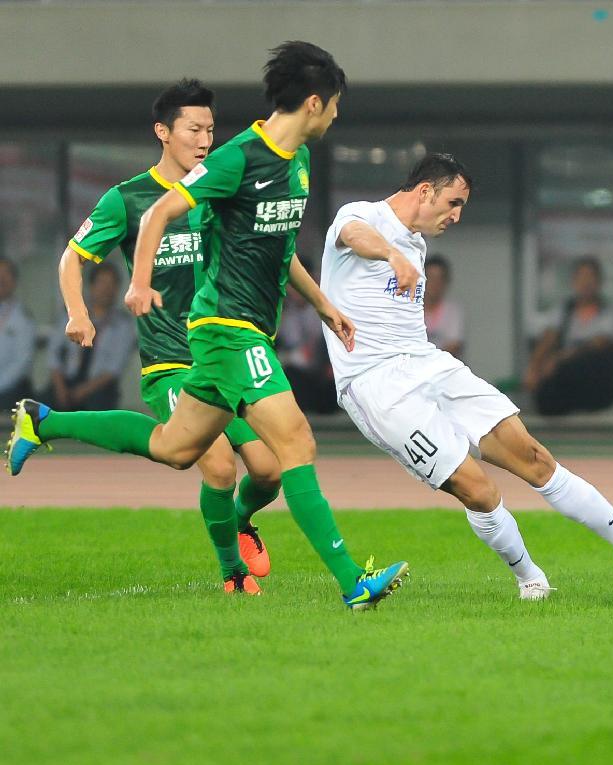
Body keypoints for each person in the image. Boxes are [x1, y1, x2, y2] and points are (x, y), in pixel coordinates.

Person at [8, 43, 408, 610]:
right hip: (224, 331)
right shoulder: (235, 160)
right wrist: (137, 283)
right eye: (335, 104)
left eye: (208, 127)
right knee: (288, 443)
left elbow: (278, 245)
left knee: (183, 449)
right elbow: (153, 215)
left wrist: (322, 304)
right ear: (316, 103)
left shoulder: (296, 161)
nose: (203, 137)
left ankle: (44, 422)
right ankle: (350, 582)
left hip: (241, 334)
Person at [319, 153, 613, 599]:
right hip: (376, 385)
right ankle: (531, 579)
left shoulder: (417, 244)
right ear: (426, 191)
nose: (456, 216)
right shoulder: (363, 215)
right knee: (478, 489)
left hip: (427, 363)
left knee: (534, 457)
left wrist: (402, 254)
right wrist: (389, 252)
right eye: (454, 203)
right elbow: (353, 235)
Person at [54, 78, 281, 593]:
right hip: (171, 362)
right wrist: (78, 313)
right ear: (164, 132)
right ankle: (232, 573)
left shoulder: (219, 189)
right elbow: (73, 256)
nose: (205, 140)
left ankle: (243, 522)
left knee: (268, 470)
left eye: (210, 129)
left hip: (225, 354)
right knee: (220, 467)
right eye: (194, 129)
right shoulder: (128, 199)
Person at [524, 256, 613, 416]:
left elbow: (602, 342)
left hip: (595, 379)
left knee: (592, 359)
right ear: (574, 281)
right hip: (567, 378)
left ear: (599, 282)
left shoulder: (608, 312)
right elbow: (549, 337)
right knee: (546, 396)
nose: (586, 282)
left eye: (590, 277)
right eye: (582, 277)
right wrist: (534, 367)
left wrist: (561, 359)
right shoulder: (564, 311)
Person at [46, 262, 136, 411]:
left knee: (98, 406)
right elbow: (53, 354)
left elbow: (114, 369)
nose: (106, 289)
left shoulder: (123, 325)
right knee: (40, 406)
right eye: (102, 282)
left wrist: (82, 391)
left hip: (99, 388)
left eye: (112, 284)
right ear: (91, 285)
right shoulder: (72, 315)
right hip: (65, 382)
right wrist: (60, 388)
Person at [277, 255, 338, 414]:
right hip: (299, 377)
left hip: (327, 375)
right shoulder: (283, 313)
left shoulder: (328, 307)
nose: (295, 288)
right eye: (291, 283)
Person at [0, 258, 35, 411]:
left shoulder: (23, 318)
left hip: (10, 387)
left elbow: (21, 363)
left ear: (14, 281)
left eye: (6, 274)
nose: (1, 278)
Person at [423, 254, 464, 357]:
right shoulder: (410, 310)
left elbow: (454, 346)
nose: (434, 284)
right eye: (430, 278)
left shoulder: (453, 311)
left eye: (439, 279)